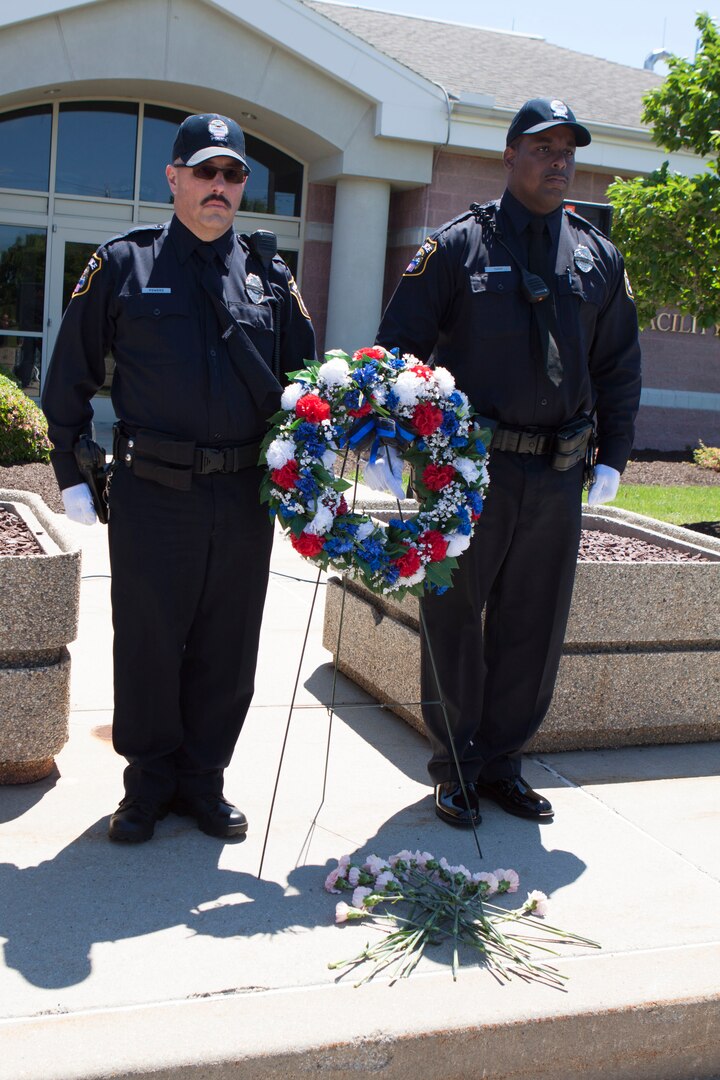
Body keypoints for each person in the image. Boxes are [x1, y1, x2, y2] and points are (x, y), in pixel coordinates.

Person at [42, 113, 315, 843]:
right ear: (173, 178)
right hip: (153, 493)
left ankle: (204, 780)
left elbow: (305, 386)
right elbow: (68, 374)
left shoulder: (268, 274)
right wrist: (69, 469)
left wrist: (310, 474)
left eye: (232, 175)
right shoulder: (122, 264)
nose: (218, 186)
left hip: (241, 493)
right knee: (149, 639)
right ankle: (149, 783)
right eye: (205, 171)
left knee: (229, 642)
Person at [376, 98, 641, 828]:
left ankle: (504, 764)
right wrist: (393, 447)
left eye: (568, 150)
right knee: (455, 617)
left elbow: (618, 365)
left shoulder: (595, 255)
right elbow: (397, 349)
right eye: (543, 147)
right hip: (471, 472)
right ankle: (456, 767)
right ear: (509, 156)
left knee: (534, 623)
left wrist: (612, 454)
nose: (559, 160)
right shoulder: (457, 248)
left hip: (557, 474)